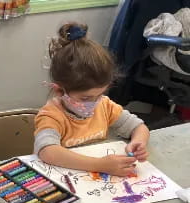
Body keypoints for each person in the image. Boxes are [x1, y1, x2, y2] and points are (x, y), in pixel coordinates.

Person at [34, 22, 150, 176]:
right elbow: (47, 151)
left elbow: (139, 127)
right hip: (65, 180)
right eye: (86, 98)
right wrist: (100, 165)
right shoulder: (51, 116)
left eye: (100, 94)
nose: (94, 102)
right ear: (59, 91)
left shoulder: (105, 106)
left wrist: (138, 143)